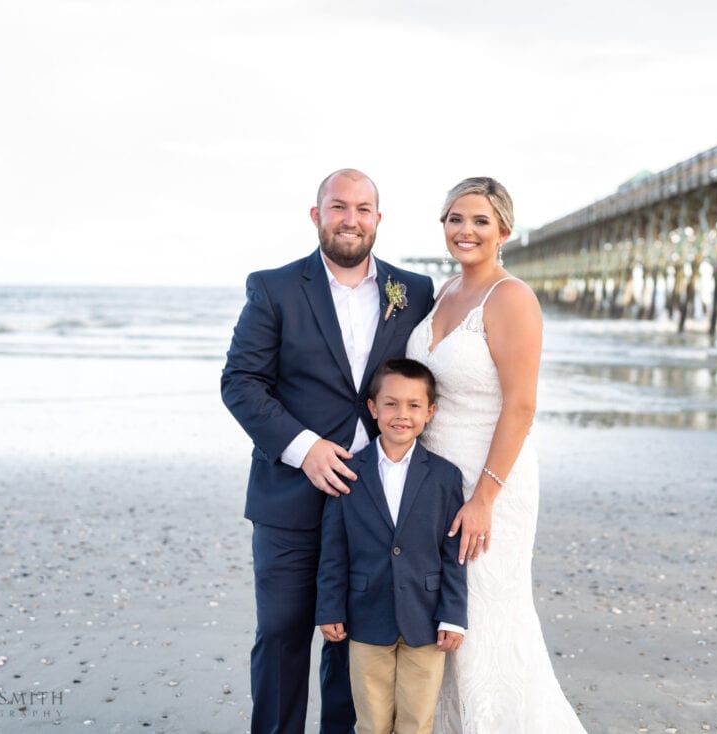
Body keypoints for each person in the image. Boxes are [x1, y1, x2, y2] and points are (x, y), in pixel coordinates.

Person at [222, 169, 436, 734]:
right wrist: (304, 448)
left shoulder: (412, 291)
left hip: (375, 503)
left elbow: (429, 385)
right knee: (283, 632)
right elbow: (240, 381)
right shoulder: (274, 288)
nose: (351, 219)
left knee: (355, 643)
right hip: (289, 495)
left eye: (363, 209)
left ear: (378, 220)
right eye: (338, 207)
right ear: (316, 215)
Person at [405, 177, 589, 732]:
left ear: (503, 230)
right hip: (434, 480)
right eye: (456, 218)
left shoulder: (511, 298)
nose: (466, 230)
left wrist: (484, 498)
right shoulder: (443, 291)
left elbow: (521, 406)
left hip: (491, 482)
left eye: (480, 221)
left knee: (486, 621)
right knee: (446, 623)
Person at [316, 358, 467, 734]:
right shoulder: (348, 470)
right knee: (371, 721)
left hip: (426, 620)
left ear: (430, 412)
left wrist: (453, 615)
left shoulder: (445, 476)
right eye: (391, 404)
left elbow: (454, 554)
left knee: (416, 721)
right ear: (372, 408)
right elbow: (334, 549)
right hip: (366, 617)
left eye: (414, 405)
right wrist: (329, 607)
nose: (402, 415)